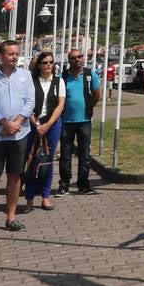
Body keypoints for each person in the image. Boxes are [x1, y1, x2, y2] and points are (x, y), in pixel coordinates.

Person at [0, 40, 34, 236]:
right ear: (1, 56)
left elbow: (30, 102)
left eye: (16, 53)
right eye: (10, 54)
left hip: (20, 134)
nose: (14, 57)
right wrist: (5, 124)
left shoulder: (25, 76)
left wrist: (16, 123)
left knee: (15, 176)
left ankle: (11, 217)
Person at [24, 51, 65, 210]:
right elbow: (27, 105)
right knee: (31, 159)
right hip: (34, 123)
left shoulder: (59, 82)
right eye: (45, 62)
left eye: (51, 62)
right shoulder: (32, 82)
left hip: (52, 124)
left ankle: (45, 196)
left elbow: (60, 105)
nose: (49, 65)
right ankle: (29, 198)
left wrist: (48, 124)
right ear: (39, 65)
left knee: (47, 159)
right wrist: (36, 124)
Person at [58, 48, 101, 196]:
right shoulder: (62, 76)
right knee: (65, 154)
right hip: (66, 121)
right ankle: (64, 185)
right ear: (69, 61)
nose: (77, 60)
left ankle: (83, 184)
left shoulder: (90, 75)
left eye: (79, 57)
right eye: (73, 58)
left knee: (85, 154)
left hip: (84, 121)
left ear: (83, 58)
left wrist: (87, 107)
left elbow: (96, 96)